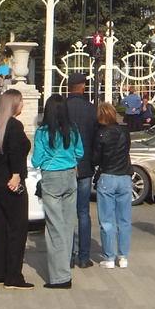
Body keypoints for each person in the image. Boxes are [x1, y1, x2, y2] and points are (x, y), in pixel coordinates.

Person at [31, 94, 83, 289]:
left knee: (54, 227)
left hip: (52, 177)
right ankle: (66, 265)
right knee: (68, 224)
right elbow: (80, 153)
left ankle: (60, 276)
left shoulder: (43, 132)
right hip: (70, 176)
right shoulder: (73, 129)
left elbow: (36, 160)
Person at [0, 89, 33, 288]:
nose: (23, 105)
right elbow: (15, 151)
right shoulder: (15, 126)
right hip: (10, 181)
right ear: (15, 104)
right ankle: (13, 276)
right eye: (21, 102)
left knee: (0, 226)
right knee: (17, 227)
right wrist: (16, 175)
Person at [93, 101, 132, 269]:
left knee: (107, 220)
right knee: (124, 221)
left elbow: (95, 158)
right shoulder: (125, 132)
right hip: (124, 176)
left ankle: (109, 258)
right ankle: (123, 257)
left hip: (108, 176)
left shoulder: (100, 134)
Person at [64, 73, 97, 268]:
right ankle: (84, 257)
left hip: (66, 164)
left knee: (67, 212)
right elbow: (94, 137)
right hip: (84, 166)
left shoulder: (63, 108)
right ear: (83, 86)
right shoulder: (91, 109)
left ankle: (68, 256)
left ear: (69, 86)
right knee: (83, 212)